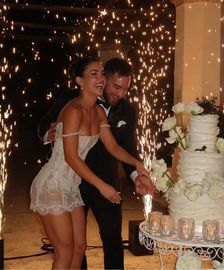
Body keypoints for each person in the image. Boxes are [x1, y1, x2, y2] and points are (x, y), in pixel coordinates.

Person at [38, 57, 155, 269]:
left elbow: (116, 147)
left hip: (90, 183)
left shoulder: (110, 111)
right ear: (81, 81)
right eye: (116, 86)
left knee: (88, 245)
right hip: (64, 182)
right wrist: (50, 134)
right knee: (66, 251)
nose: (120, 94)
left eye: (125, 89)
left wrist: (139, 167)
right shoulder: (71, 105)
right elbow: (68, 154)